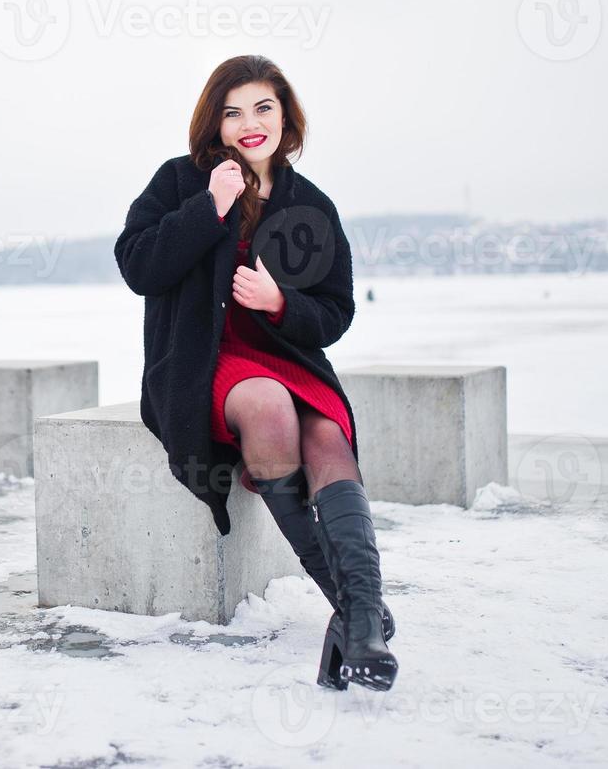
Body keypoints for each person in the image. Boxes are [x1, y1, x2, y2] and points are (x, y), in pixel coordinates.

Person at [114, 54, 397, 692]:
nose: (249, 123)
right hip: (200, 361)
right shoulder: (181, 182)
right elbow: (137, 266)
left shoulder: (310, 204)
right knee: (269, 407)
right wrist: (207, 209)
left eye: (263, 108)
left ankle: (359, 626)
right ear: (214, 122)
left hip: (288, 357)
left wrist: (280, 304)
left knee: (326, 435)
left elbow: (335, 311)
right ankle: (364, 616)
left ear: (284, 115)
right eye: (233, 111)